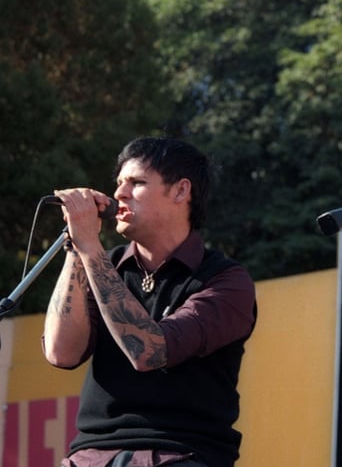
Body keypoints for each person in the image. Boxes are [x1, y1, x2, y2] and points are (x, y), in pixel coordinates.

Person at [43, 137, 257, 467]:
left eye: (137, 182)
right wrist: (76, 249)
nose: (119, 194)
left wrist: (89, 248)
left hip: (178, 454)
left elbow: (150, 351)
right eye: (118, 184)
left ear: (181, 191)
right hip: (90, 455)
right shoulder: (103, 263)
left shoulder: (226, 281)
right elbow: (61, 352)